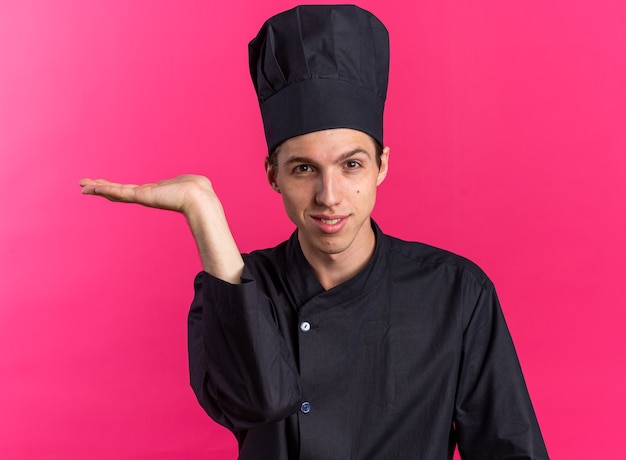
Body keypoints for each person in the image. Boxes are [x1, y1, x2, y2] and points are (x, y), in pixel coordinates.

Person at [80, 5, 549, 459]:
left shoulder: (457, 293)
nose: (329, 195)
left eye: (351, 165)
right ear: (273, 175)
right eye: (304, 168)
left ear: (381, 166)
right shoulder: (230, 290)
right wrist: (204, 213)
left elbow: (511, 450)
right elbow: (255, 404)